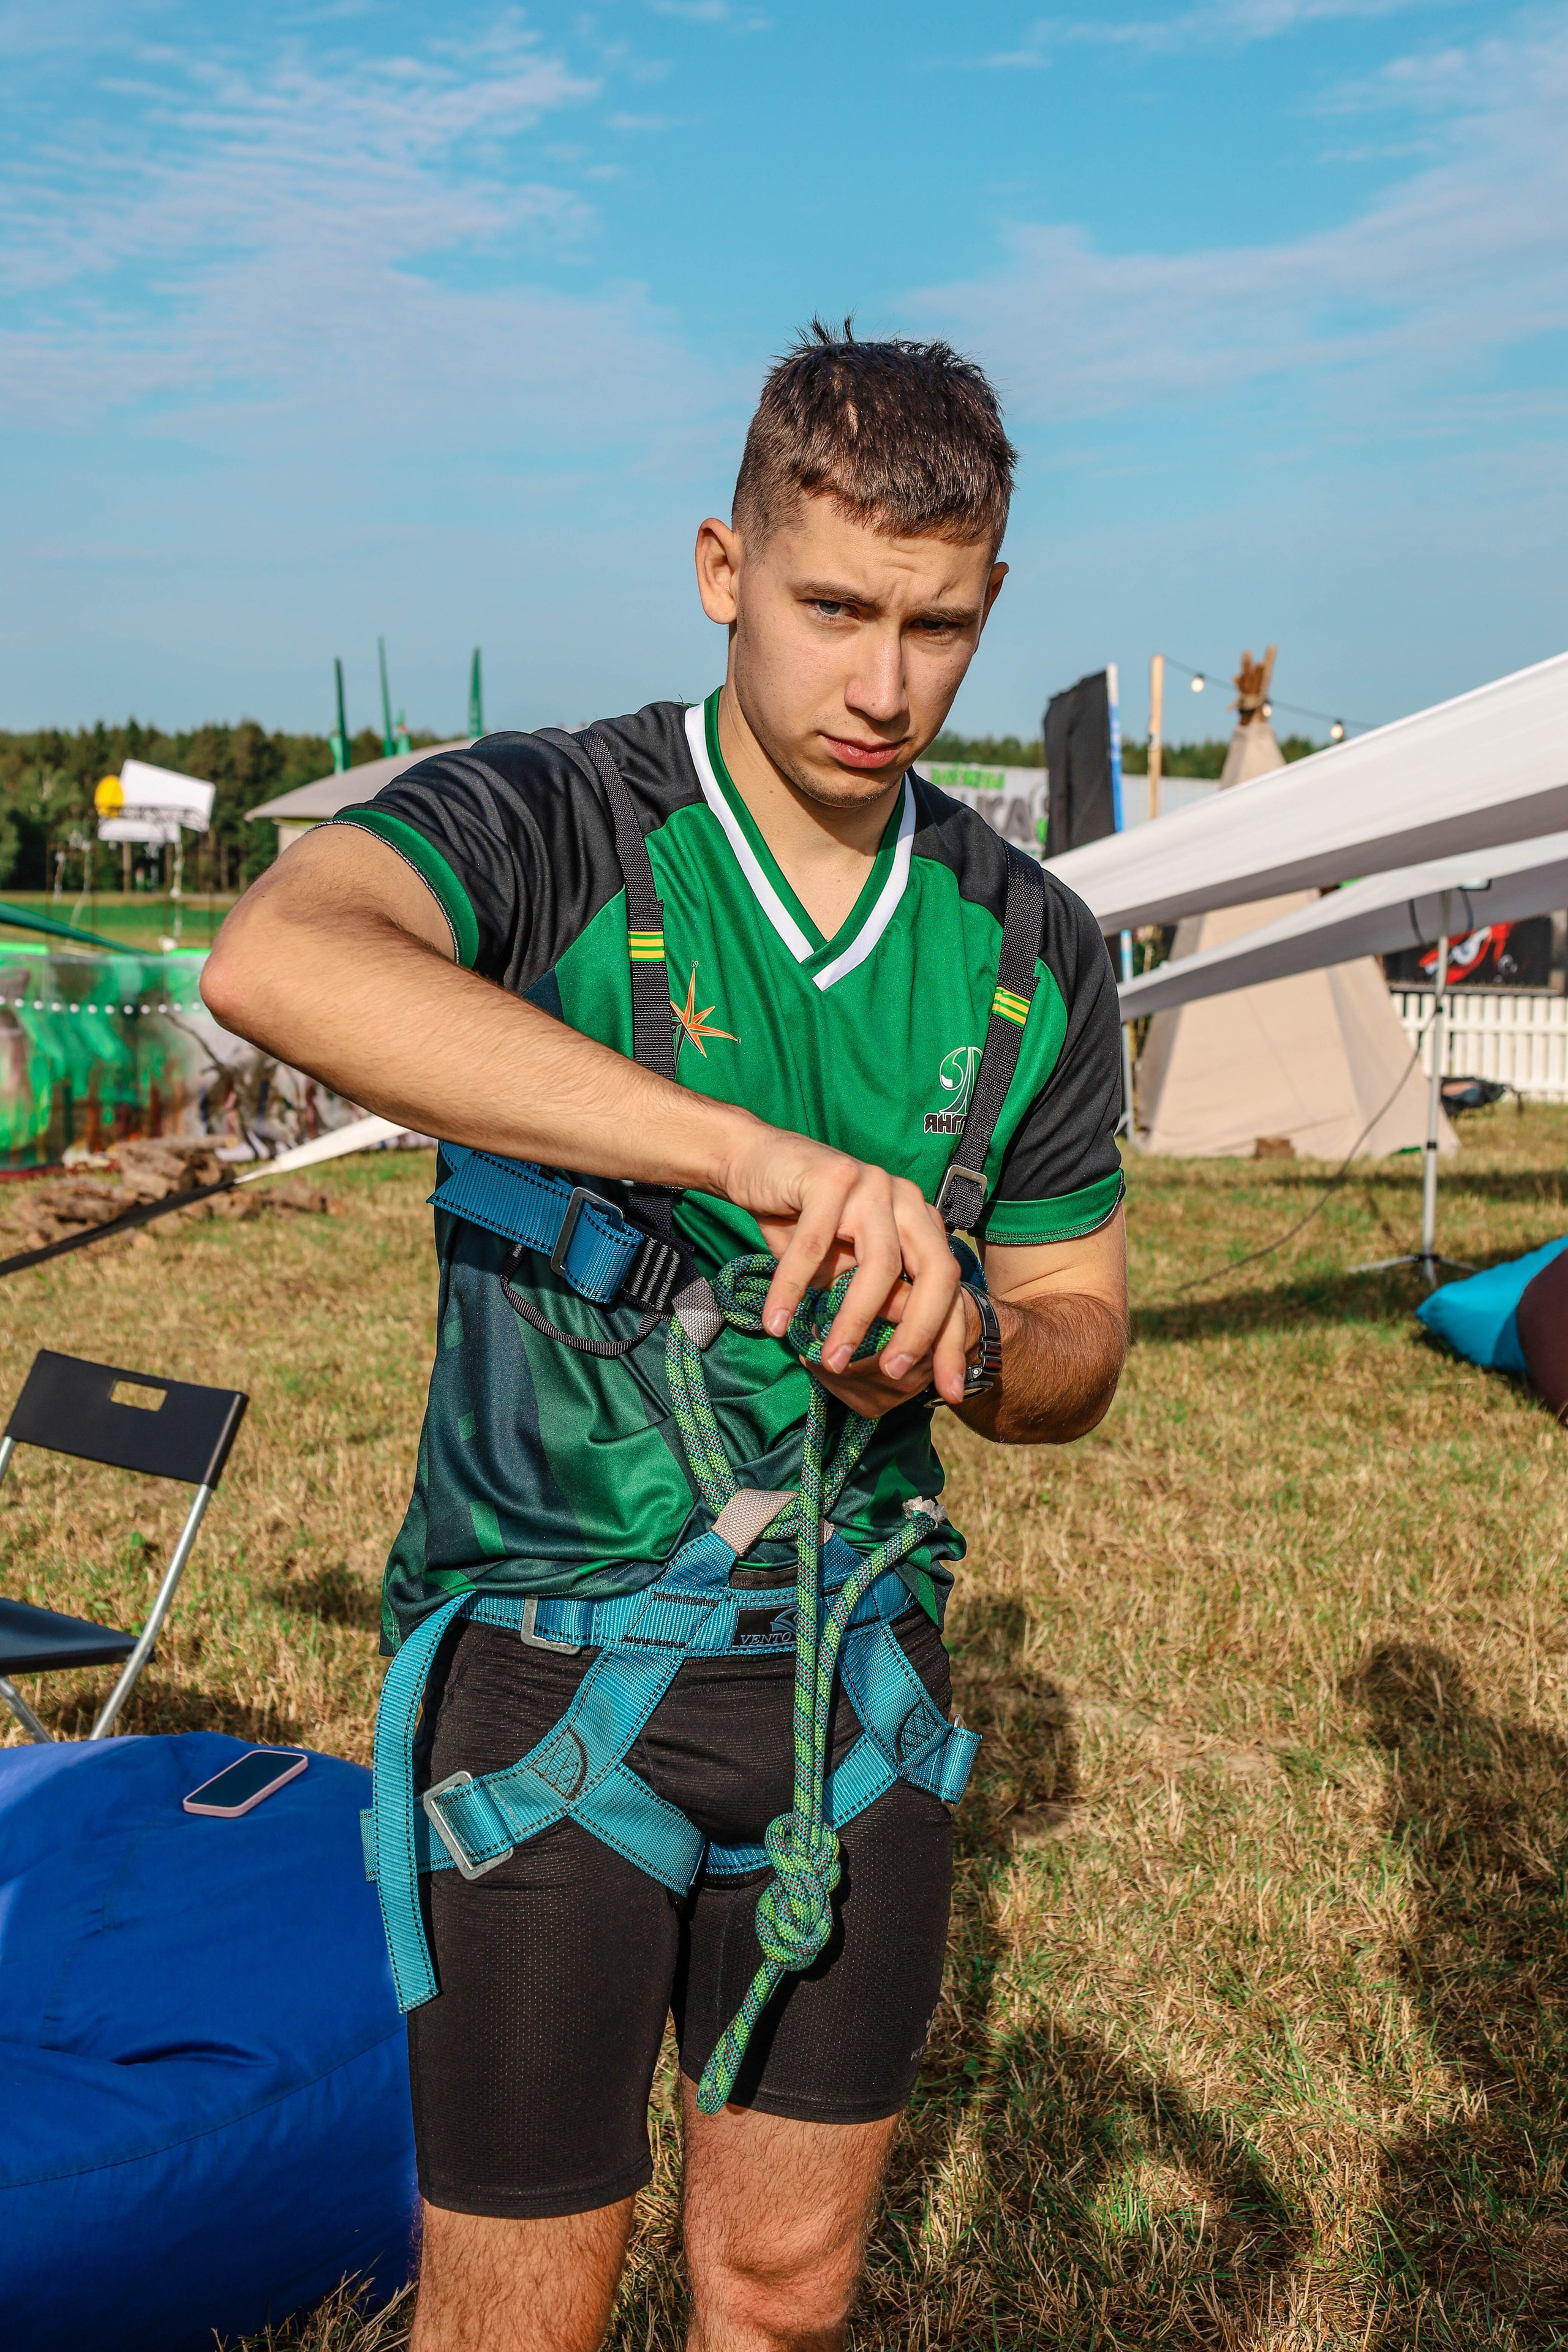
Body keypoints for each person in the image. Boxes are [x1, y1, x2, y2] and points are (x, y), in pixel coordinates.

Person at [203, 322, 1128, 2352]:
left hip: (853, 1685)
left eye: (940, 626)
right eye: (833, 610)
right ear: (724, 568)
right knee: (519, 2318)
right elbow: (279, 954)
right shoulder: (560, 818)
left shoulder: (1037, 946)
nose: (887, 685)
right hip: (544, 1683)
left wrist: (965, 1354)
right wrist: (753, 1158)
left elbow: (1083, 1336)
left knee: (785, 2298)